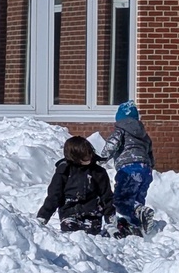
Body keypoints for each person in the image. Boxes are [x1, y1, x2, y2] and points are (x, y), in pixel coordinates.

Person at [98, 100, 155, 236]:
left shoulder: (120, 131)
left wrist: (101, 160)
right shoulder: (144, 135)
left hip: (128, 169)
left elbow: (112, 145)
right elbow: (150, 153)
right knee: (137, 198)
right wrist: (150, 166)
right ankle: (137, 224)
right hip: (145, 170)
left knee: (120, 200)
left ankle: (139, 211)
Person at [37, 135, 115, 235]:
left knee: (91, 236)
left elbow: (106, 196)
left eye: (89, 153)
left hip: (92, 214)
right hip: (69, 213)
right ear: (74, 157)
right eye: (84, 156)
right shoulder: (64, 171)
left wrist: (110, 222)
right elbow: (54, 195)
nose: (89, 157)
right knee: (73, 235)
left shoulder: (98, 172)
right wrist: (43, 216)